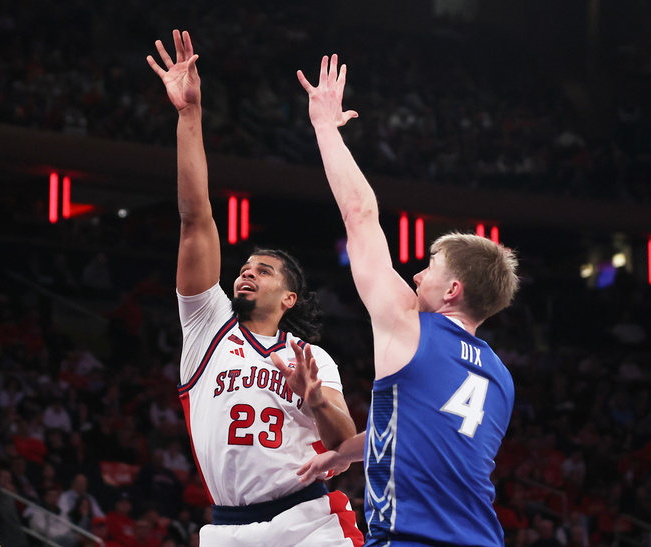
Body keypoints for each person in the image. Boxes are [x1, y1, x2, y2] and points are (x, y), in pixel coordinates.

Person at [147, 30, 364, 547]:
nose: (246, 272)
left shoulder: (312, 357)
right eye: (246, 267)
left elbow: (345, 442)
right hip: (228, 528)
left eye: (264, 271)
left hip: (309, 518)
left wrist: (315, 401)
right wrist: (189, 115)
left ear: (289, 298)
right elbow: (195, 218)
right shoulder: (207, 324)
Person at [293, 54, 520, 546]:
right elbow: (424, 437)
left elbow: (360, 214)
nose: (416, 276)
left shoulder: (408, 325)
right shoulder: (501, 380)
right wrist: (342, 454)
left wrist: (325, 127)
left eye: (430, 270)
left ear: (453, 291)